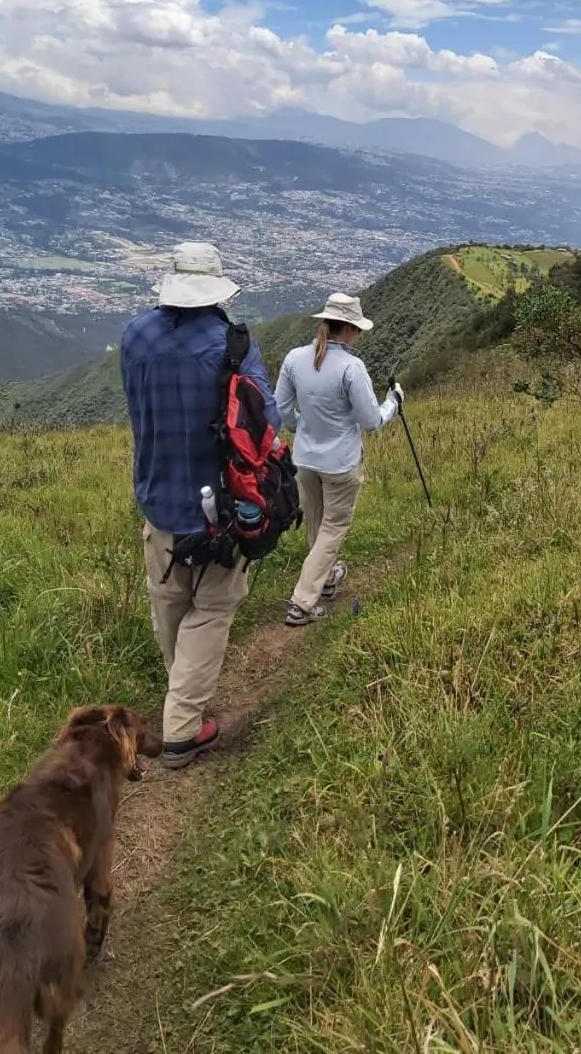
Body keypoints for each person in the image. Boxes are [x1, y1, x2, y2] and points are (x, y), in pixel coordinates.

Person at [121, 241, 280, 769]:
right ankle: (183, 729)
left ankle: (181, 698)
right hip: (221, 512)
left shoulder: (135, 337)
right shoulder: (232, 347)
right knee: (210, 610)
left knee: (168, 603)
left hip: (157, 499)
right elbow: (266, 423)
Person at [274, 292, 402, 627]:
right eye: (357, 330)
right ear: (348, 330)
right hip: (341, 462)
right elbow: (371, 421)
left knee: (317, 520)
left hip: (305, 458)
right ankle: (302, 601)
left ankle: (327, 577)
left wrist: (301, 428)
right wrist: (394, 404)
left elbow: (281, 410)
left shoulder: (294, 359)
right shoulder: (351, 367)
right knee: (333, 527)